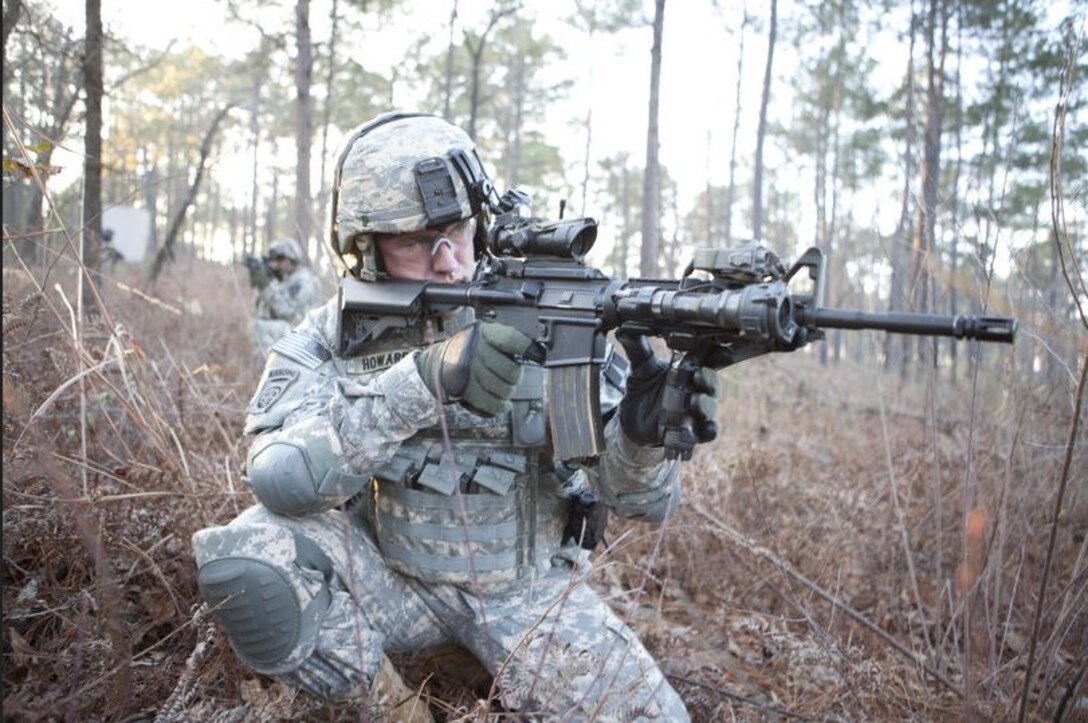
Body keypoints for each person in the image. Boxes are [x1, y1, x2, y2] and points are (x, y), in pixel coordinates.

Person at [192, 112, 721, 720]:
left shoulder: (554, 313)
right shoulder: (333, 336)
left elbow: (641, 502)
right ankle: (395, 709)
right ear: (365, 249)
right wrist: (420, 382)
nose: (447, 261)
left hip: (527, 593)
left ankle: (482, 661)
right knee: (250, 560)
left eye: (457, 232)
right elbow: (279, 478)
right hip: (391, 581)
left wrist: (641, 434)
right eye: (416, 242)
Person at [247, 237, 326, 359]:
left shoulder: (304, 281)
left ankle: (267, 371)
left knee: (259, 327)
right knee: (258, 324)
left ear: (292, 259)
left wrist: (266, 285)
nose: (276, 264)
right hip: (294, 331)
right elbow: (262, 311)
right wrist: (261, 283)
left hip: (306, 336)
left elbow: (286, 311)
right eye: (273, 260)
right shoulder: (285, 280)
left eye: (280, 259)